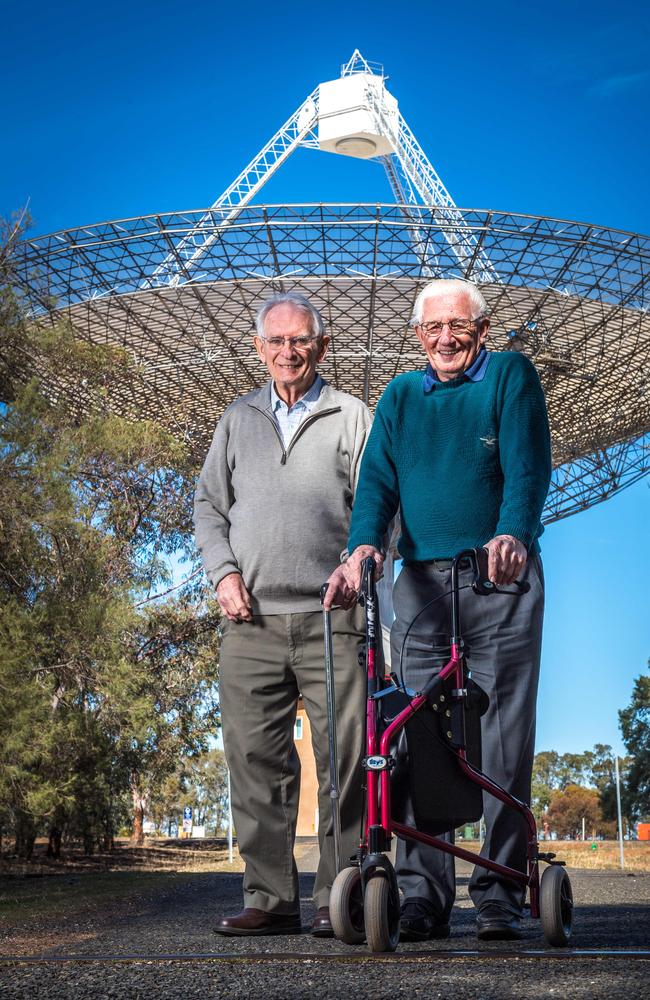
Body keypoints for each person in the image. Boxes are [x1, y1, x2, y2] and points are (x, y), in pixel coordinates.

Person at [325, 277, 552, 942]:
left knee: (502, 741)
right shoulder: (400, 395)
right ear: (418, 335)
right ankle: (425, 894)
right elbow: (377, 485)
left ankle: (499, 893)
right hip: (420, 589)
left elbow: (528, 468)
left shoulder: (509, 376)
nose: (446, 338)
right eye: (433, 329)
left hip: (497, 580)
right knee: (422, 741)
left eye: (459, 326)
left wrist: (513, 534)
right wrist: (362, 546)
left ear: (482, 329)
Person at [194, 292, 370, 937]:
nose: (287, 352)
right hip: (251, 620)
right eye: (275, 341)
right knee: (255, 764)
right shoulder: (237, 419)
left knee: (345, 763)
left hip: (335, 617)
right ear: (259, 348)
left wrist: (359, 563)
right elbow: (209, 508)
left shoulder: (353, 416)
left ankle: (338, 896)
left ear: (321, 347)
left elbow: (384, 505)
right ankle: (269, 899)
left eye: (299, 341)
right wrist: (224, 572)